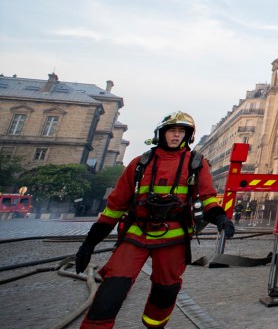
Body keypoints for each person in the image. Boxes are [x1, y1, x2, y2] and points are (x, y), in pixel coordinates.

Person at [73, 111, 234, 329]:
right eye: (172, 130)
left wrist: (221, 218)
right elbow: (115, 208)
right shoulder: (139, 164)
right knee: (112, 288)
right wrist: (89, 243)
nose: (176, 136)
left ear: (188, 136)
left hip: (174, 239)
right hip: (136, 233)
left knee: (165, 290)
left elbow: (207, 198)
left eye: (181, 132)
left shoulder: (196, 164)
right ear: (161, 133)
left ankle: (154, 326)